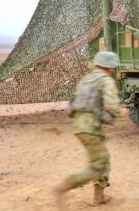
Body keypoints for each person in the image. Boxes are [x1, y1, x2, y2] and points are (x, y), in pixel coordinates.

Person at [53, 51, 128, 208]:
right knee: (98, 166)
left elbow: (75, 104)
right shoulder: (106, 80)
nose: (113, 70)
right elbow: (111, 105)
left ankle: (99, 196)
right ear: (110, 67)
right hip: (91, 128)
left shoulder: (86, 79)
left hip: (80, 127)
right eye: (113, 67)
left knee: (103, 159)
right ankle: (64, 186)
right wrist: (122, 112)